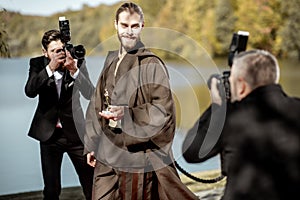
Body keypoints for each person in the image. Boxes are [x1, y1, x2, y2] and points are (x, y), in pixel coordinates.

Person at [84, 2, 198, 200]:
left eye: (134, 26)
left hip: (135, 157)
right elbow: (96, 103)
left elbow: (164, 112)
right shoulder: (111, 60)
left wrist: (126, 115)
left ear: (142, 27)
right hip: (106, 153)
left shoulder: (151, 63)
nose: (129, 32)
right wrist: (91, 144)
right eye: (124, 25)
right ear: (116, 25)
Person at [182, 49, 300, 200]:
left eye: (231, 82)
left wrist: (218, 107)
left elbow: (191, 152)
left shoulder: (232, 117)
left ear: (242, 85)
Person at [25, 29, 94, 200]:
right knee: (51, 188)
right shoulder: (37, 64)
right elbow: (30, 91)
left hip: (76, 134)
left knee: (90, 183)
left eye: (61, 49)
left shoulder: (76, 61)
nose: (60, 54)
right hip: (49, 135)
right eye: (54, 51)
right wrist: (50, 68)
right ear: (45, 52)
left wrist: (74, 71)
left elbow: (91, 94)